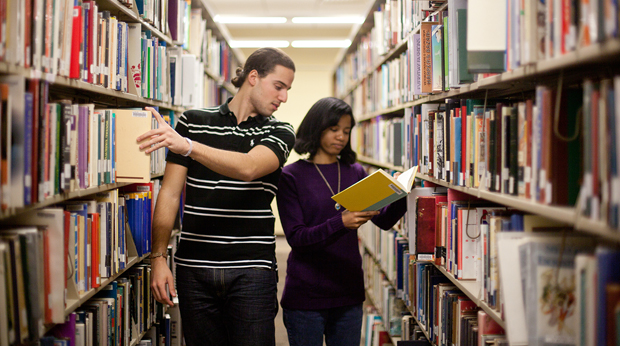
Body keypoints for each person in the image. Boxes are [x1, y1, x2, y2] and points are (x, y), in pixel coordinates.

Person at [137, 47, 296, 346]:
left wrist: (188, 147)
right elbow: (170, 194)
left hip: (252, 269)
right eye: (279, 86)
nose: (284, 97)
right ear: (253, 77)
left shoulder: (281, 131)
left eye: (287, 89)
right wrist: (158, 257)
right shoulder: (192, 122)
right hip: (193, 268)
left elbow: (249, 168)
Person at [276, 97, 407, 346]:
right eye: (334, 129)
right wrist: (340, 223)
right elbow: (297, 238)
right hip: (306, 295)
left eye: (346, 131)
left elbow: (385, 221)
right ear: (317, 128)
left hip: (348, 292)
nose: (341, 137)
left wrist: (400, 193)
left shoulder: (354, 171)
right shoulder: (291, 176)